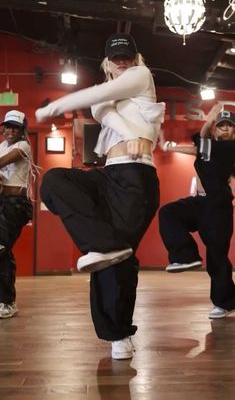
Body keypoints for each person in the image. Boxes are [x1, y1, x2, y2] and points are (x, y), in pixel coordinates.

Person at [35, 33, 165, 359]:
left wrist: (53, 107)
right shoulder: (102, 99)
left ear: (135, 58)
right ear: (107, 61)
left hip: (137, 178)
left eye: (127, 57)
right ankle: (103, 246)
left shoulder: (141, 76)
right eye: (116, 58)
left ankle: (119, 332)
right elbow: (105, 108)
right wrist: (138, 134)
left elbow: (105, 98)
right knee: (54, 182)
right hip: (109, 174)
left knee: (115, 262)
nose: (122, 62)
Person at [158, 103, 235, 319]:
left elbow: (202, 138)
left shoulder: (229, 147)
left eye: (230, 126)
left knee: (217, 256)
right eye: (221, 126)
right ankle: (185, 256)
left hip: (218, 208)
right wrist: (168, 147)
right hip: (199, 203)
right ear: (216, 130)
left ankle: (225, 302)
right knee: (168, 213)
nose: (225, 129)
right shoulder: (207, 149)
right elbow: (196, 149)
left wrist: (209, 121)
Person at [0, 110, 34, 319]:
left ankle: (7, 302)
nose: (10, 130)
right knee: (3, 252)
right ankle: (6, 301)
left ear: (22, 130)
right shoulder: (2, 146)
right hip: (2, 202)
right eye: (7, 126)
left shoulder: (24, 147)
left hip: (16, 205)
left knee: (1, 248)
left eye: (15, 127)